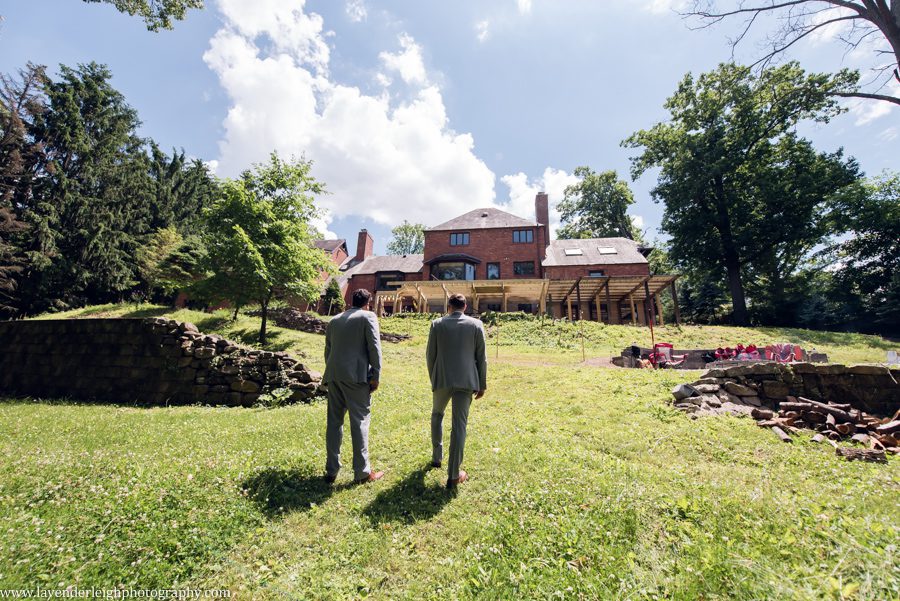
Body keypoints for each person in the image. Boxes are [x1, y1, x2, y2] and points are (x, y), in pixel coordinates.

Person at [323, 288, 384, 485]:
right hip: (356, 376)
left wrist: (332, 370)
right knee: (360, 422)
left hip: (334, 374)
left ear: (351, 300)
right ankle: (362, 472)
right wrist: (376, 375)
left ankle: (331, 470)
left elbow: (328, 350)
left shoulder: (334, 320)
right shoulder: (368, 317)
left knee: (334, 422)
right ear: (368, 303)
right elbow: (374, 347)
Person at [426, 293, 487, 490]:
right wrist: (482, 384)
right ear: (465, 306)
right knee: (459, 426)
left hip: (442, 378)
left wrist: (434, 377)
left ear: (449, 306)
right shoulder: (476, 325)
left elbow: (430, 356)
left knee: (437, 415)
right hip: (466, 380)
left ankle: (437, 457)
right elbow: (481, 357)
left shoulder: (437, 324)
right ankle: (453, 475)